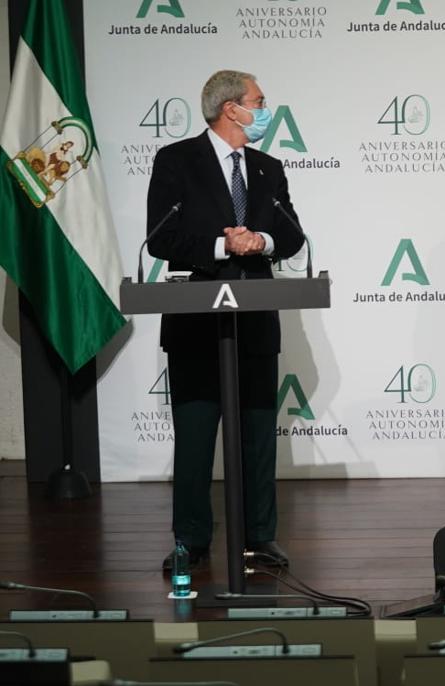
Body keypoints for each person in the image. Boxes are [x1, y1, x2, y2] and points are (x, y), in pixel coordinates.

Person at [147, 70, 305, 571]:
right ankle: (190, 541)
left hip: (255, 318)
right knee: (194, 437)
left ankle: (260, 536)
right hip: (196, 320)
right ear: (231, 108)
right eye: (259, 101)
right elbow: (161, 237)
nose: (265, 109)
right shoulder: (176, 161)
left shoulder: (268, 168)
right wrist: (222, 244)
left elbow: (293, 233)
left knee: (259, 434)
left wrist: (263, 241)